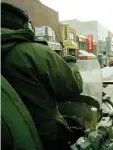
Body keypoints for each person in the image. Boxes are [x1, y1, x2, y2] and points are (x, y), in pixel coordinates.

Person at [1, 2, 85, 150]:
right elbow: (74, 86)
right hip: (45, 138)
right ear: (23, 25)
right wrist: (71, 63)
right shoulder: (36, 54)